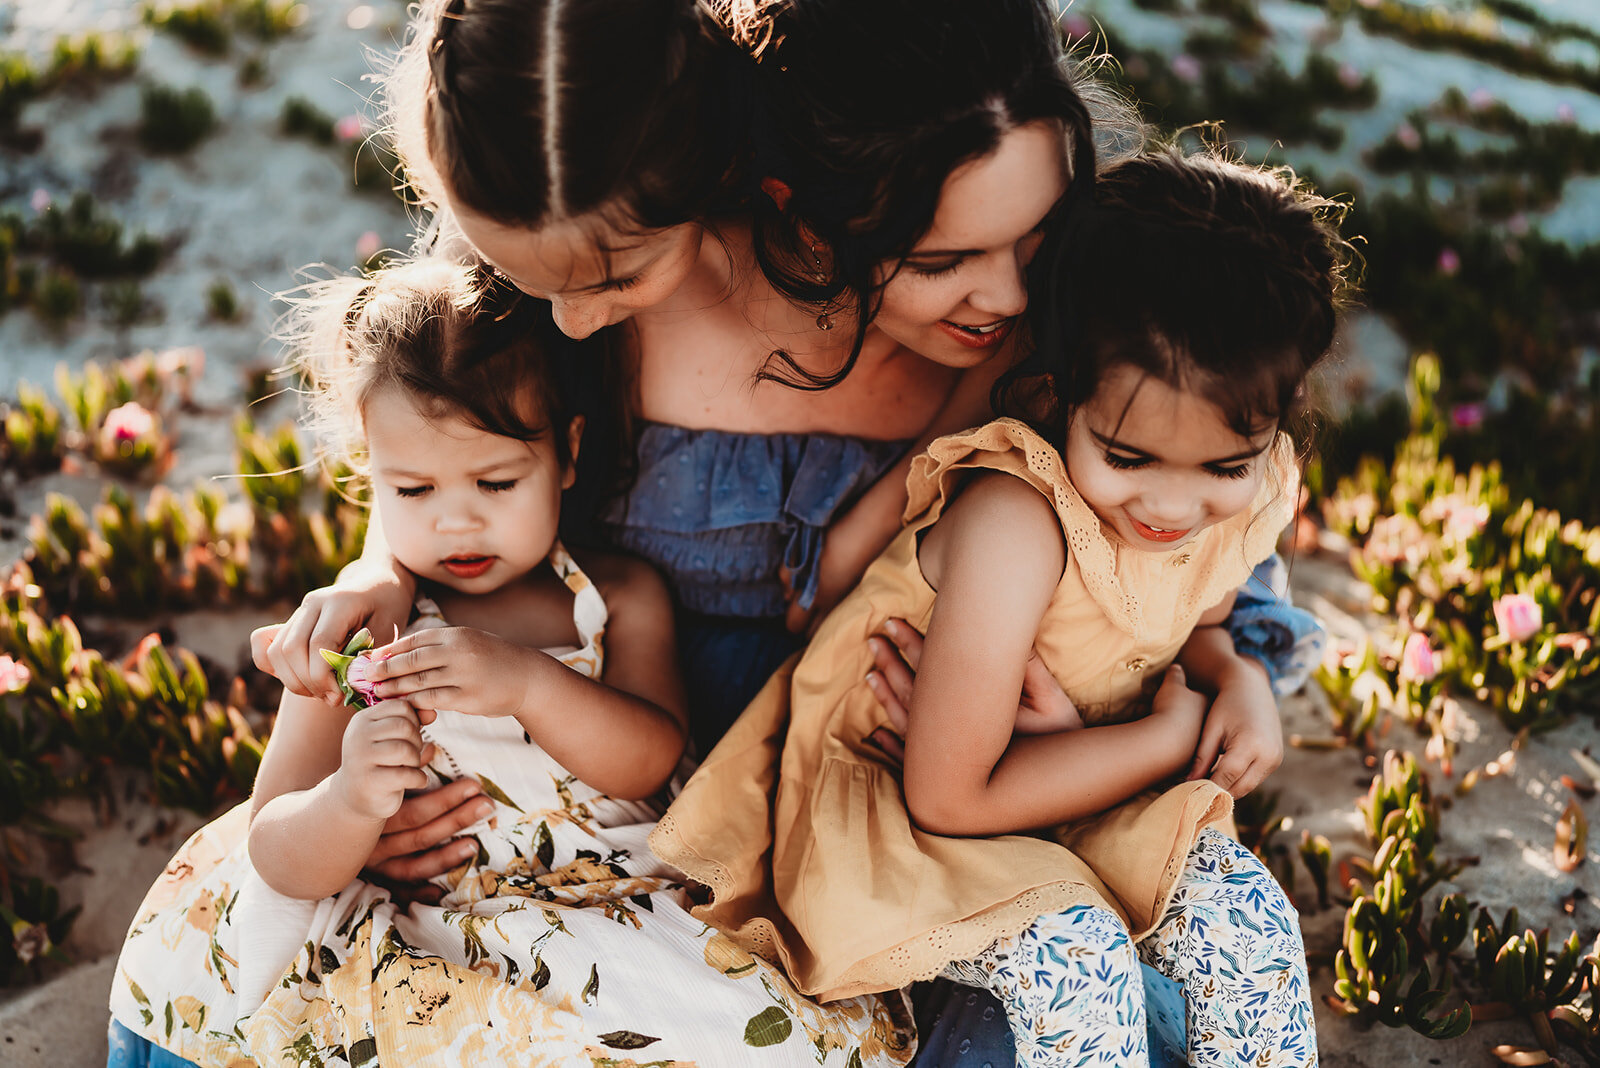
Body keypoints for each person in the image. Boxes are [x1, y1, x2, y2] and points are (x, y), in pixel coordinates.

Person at [105, 259, 912, 1067]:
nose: (457, 521)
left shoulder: (614, 594)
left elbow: (650, 758)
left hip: (603, 908)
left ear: (566, 453)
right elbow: (272, 846)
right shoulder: (364, 632)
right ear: (369, 476)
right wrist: (348, 802)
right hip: (432, 921)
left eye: (495, 481)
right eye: (413, 490)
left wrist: (530, 683)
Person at [652, 144, 1346, 1067]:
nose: (1174, 510)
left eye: (1223, 467)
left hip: (1072, 768)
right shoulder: (1016, 526)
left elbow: (1200, 616)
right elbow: (950, 796)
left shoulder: (1252, 480)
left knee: (1250, 926)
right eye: (1128, 459)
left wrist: (1238, 677)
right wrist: (1168, 741)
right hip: (905, 808)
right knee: (1080, 962)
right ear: (1059, 393)